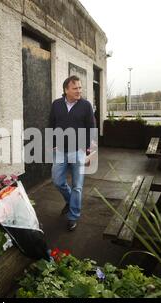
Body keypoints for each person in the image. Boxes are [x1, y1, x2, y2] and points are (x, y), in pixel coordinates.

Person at [48, 75, 95, 231]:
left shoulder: (86, 105)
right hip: (60, 151)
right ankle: (70, 201)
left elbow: (91, 128)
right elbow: (51, 125)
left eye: (80, 88)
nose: (79, 91)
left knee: (77, 186)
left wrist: (86, 148)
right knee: (57, 181)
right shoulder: (56, 105)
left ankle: (73, 216)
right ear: (66, 89)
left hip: (78, 151)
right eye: (75, 88)